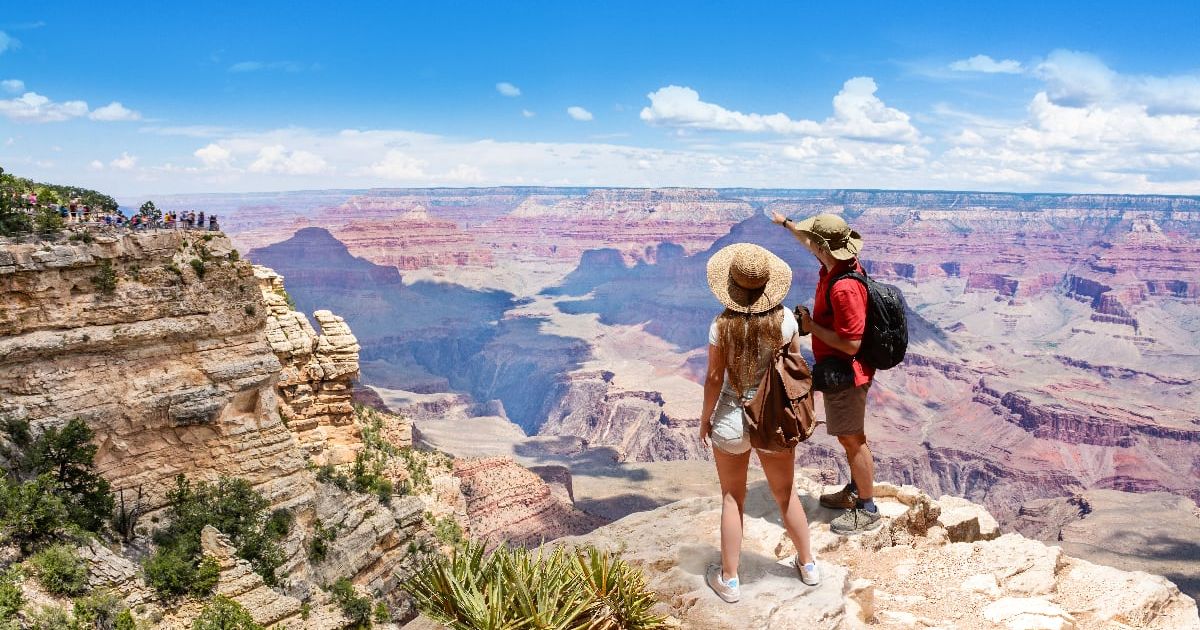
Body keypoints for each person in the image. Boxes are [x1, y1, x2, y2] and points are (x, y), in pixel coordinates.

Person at [700, 242, 819, 603]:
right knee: (785, 494)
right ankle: (809, 565)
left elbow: (714, 378)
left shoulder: (721, 326)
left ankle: (730, 580)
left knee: (732, 497)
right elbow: (793, 370)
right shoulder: (786, 321)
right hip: (773, 420)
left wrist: (704, 421)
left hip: (731, 419)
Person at [772, 211, 881, 535]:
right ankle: (854, 490)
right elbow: (811, 243)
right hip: (840, 371)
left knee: (852, 440)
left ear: (824, 247)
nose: (811, 246)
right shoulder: (837, 266)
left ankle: (867, 507)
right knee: (849, 437)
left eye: (815, 242)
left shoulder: (842, 288)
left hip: (848, 373)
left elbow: (852, 343)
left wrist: (810, 327)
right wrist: (787, 223)